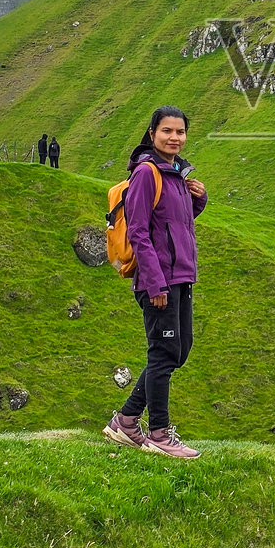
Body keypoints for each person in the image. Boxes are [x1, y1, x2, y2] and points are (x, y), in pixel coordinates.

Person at [104, 106, 207, 459]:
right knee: (162, 353)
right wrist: (154, 283)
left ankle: (127, 420)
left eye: (180, 131)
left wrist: (199, 199)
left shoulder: (175, 174)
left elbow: (175, 224)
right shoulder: (147, 173)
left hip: (180, 276)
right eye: (167, 131)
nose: (174, 137)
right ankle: (159, 434)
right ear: (152, 134)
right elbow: (138, 231)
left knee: (178, 351)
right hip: (159, 281)